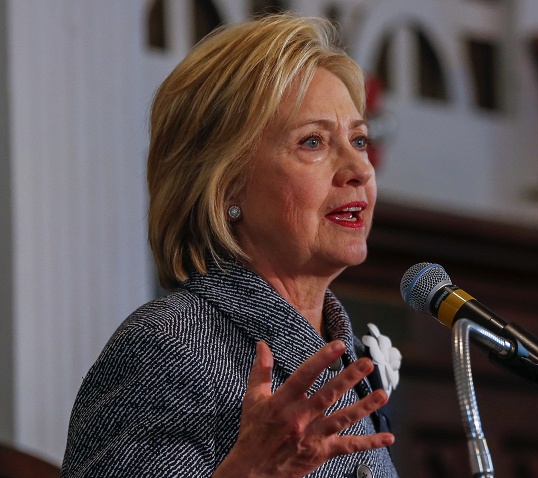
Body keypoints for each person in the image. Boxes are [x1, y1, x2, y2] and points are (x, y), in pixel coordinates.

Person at [61, 13, 399, 478]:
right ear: (225, 185)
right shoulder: (169, 346)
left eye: (359, 140)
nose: (359, 169)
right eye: (313, 142)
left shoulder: (345, 360)